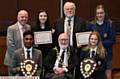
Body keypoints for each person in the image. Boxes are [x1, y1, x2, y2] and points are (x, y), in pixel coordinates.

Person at [4, 10, 31, 75]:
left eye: (26, 17)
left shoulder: (28, 27)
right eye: (22, 17)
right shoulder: (11, 28)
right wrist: (19, 57)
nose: (24, 19)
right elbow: (10, 45)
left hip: (25, 60)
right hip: (13, 60)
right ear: (17, 17)